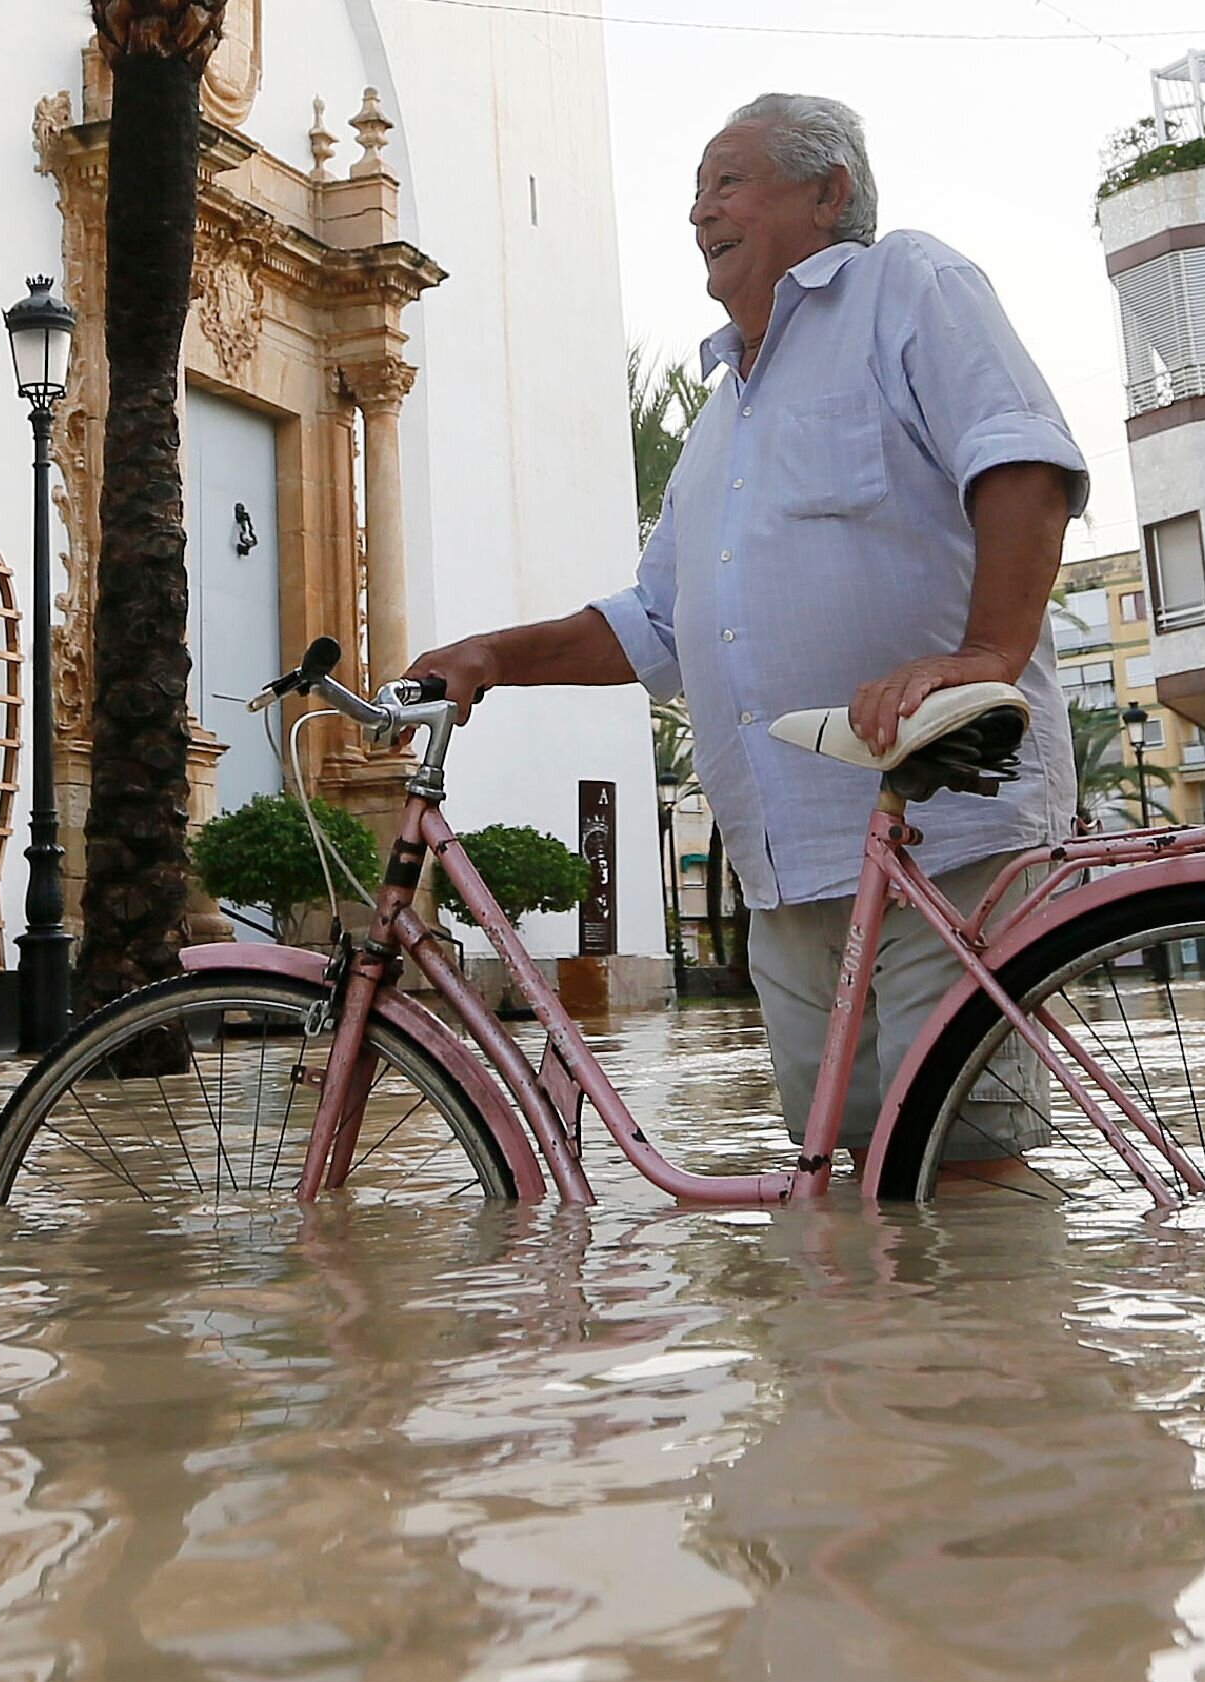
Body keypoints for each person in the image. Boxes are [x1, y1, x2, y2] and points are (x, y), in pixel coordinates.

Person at [406, 92, 1085, 1176]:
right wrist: (495, 655)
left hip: (949, 831)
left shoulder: (908, 284)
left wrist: (987, 657)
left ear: (829, 194)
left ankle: (986, 1349)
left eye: (728, 181)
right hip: (793, 867)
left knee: (968, 1169)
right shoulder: (720, 416)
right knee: (849, 1174)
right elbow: (659, 624)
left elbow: (1024, 462)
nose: (697, 211)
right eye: (694, 189)